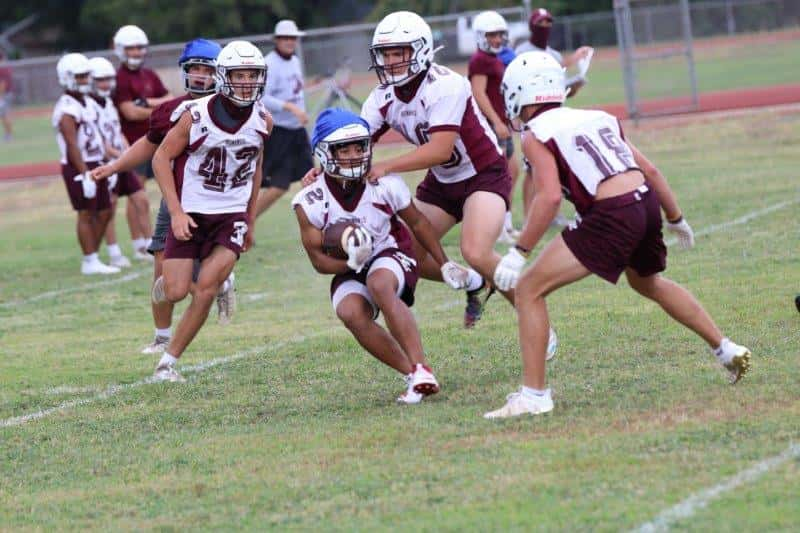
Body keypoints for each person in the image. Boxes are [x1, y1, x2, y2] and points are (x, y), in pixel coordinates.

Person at [484, 52, 752, 419]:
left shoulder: (536, 134)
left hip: (611, 213)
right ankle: (725, 348)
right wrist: (675, 216)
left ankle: (534, 395)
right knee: (649, 283)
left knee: (529, 289)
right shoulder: (597, 117)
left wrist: (518, 253)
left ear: (520, 93)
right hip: (643, 202)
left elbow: (546, 197)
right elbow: (651, 171)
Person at [294, 108, 470, 403]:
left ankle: (421, 367)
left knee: (379, 284)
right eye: (343, 149)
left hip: (390, 251)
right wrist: (351, 262)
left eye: (358, 147)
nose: (353, 155)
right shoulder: (309, 200)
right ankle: (413, 377)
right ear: (324, 153)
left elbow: (418, 223)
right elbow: (319, 262)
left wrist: (444, 262)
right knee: (350, 312)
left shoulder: (383, 183)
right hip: (349, 265)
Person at [92, 38, 235, 354]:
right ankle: (161, 337)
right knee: (165, 279)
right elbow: (149, 145)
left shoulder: (232, 110)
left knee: (200, 271)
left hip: (216, 202)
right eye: (194, 69)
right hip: (176, 201)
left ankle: (220, 278)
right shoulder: (171, 110)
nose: (200, 75)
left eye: (207, 70)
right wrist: (114, 166)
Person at [149, 40, 271, 382]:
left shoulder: (263, 119)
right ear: (224, 76)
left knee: (204, 288)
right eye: (239, 74)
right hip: (192, 210)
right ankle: (207, 280)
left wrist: (249, 219)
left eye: (253, 75)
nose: (247, 82)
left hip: (230, 214)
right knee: (174, 291)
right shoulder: (197, 115)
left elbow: (256, 168)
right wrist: (175, 212)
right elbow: (161, 158)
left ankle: (167, 363)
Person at [515, 8, 595, 227]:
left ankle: (553, 214)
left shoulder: (555, 55)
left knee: (555, 165)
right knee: (531, 168)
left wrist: (575, 84)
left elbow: (561, 89)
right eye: (541, 23)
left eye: (548, 22)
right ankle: (528, 216)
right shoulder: (522, 51)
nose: (545, 27)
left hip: (555, 116)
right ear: (532, 26)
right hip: (531, 115)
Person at [53, 53, 119, 275]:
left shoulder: (88, 102)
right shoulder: (66, 107)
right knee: (85, 212)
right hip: (78, 165)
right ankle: (90, 260)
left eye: (86, 76)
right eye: (80, 77)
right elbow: (72, 145)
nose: (84, 81)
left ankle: (92, 257)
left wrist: (112, 163)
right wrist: (85, 174)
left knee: (104, 211)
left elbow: (99, 137)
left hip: (96, 161)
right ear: (67, 77)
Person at [88, 56, 152, 267]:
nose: (105, 84)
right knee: (111, 206)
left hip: (119, 160)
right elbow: (99, 142)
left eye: (108, 79)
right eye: (100, 80)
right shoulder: (88, 106)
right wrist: (120, 157)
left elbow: (117, 132)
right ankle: (114, 252)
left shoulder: (108, 103)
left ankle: (150, 245)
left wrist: (128, 151)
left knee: (140, 198)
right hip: (105, 162)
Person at [468, 10, 520, 244]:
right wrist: (497, 122)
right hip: (491, 126)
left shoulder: (492, 58)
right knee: (500, 176)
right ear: (481, 36)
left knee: (512, 172)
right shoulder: (480, 60)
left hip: (501, 123)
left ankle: (506, 225)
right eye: (492, 35)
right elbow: (478, 93)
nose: (497, 39)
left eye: (500, 34)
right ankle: (497, 227)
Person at [255, 20, 313, 219]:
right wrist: (289, 107)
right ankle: (245, 222)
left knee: (313, 177)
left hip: (297, 131)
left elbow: (295, 90)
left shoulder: (295, 61)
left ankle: (320, 218)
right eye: (285, 38)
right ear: (277, 40)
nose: (290, 42)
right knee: (278, 186)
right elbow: (261, 96)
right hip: (279, 132)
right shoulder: (268, 63)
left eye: (292, 38)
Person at [113, 24, 173, 193]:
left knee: (173, 186)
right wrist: (160, 110)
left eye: (139, 47)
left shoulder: (149, 74)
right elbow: (130, 113)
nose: (136, 52)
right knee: (138, 192)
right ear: (120, 49)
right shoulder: (119, 77)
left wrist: (146, 102)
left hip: (159, 140)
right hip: (134, 144)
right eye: (130, 48)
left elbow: (170, 98)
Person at [0, 49, 13, 142]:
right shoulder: (6, 66)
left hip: (4, 94)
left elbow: (2, 83)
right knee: (4, 115)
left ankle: (8, 136)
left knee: (5, 115)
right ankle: (8, 135)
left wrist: (1, 96)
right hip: (7, 93)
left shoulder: (2, 67)